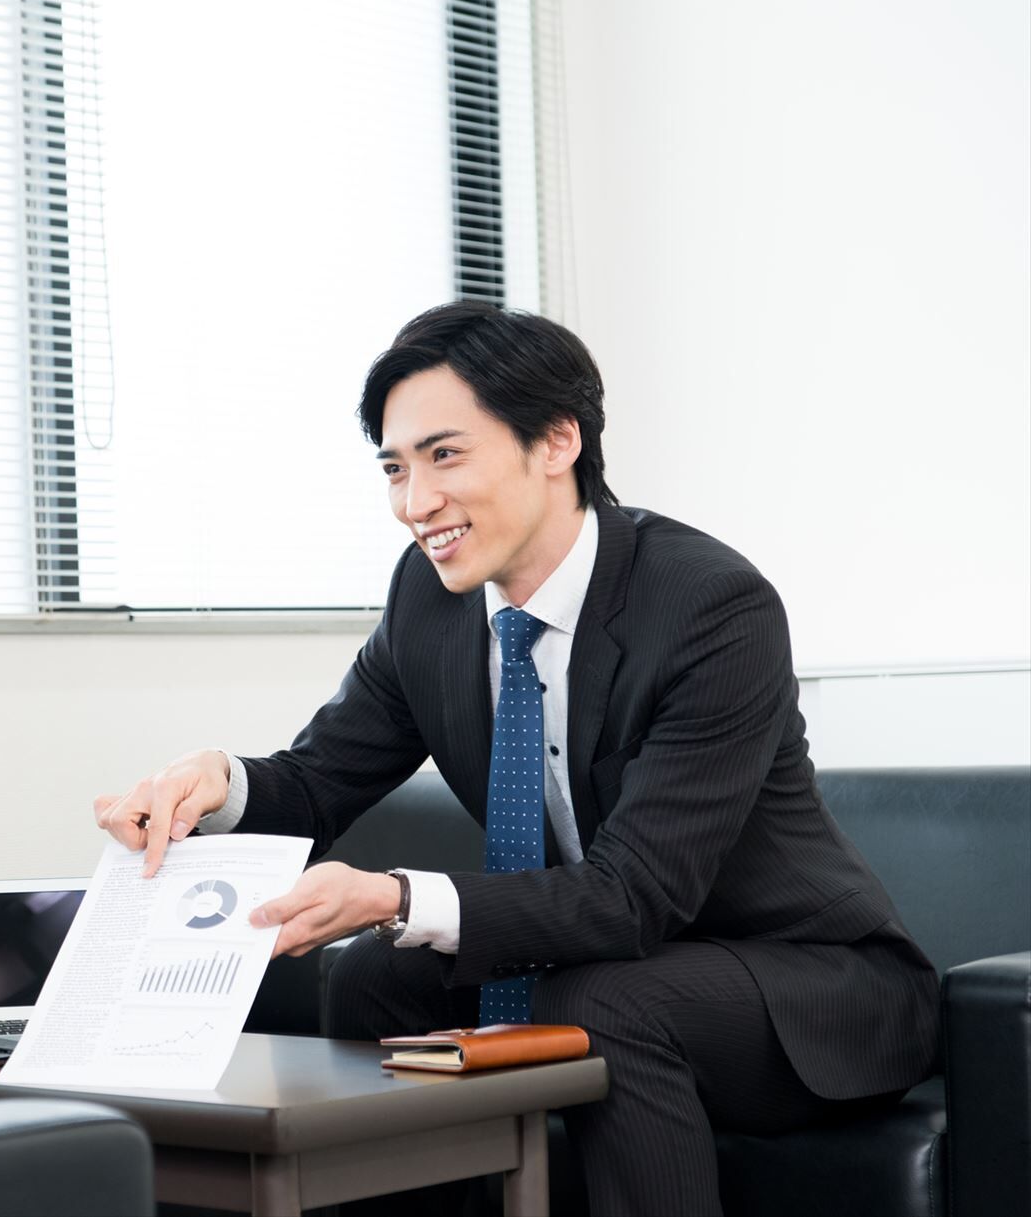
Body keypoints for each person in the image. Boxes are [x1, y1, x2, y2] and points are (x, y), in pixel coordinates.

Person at [96, 301, 937, 1215]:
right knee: (377, 976)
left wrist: (396, 895)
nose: (415, 504)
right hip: (610, 959)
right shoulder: (429, 598)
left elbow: (635, 896)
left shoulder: (710, 605)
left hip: (805, 986)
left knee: (610, 1002)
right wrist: (216, 785)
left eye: (445, 455)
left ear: (558, 440)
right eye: (395, 467)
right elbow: (318, 777)